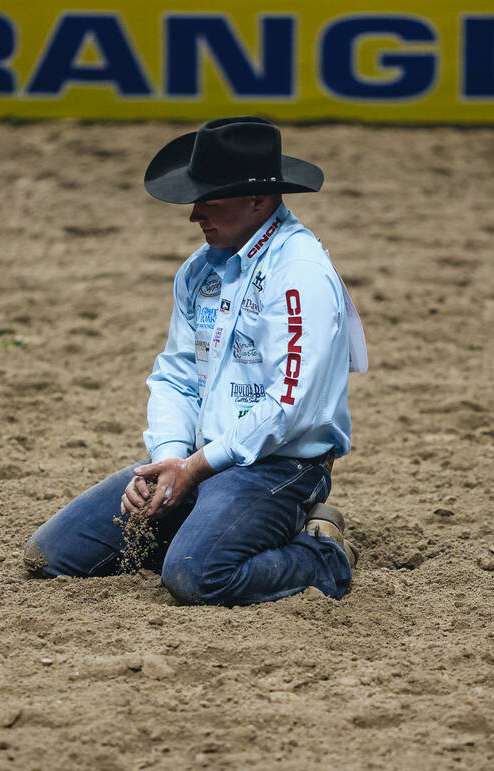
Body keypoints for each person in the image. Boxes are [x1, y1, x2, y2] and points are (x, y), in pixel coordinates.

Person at [23, 116, 367, 606]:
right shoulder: (199, 270)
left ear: (258, 200)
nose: (194, 215)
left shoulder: (301, 273)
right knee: (52, 555)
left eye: (209, 200)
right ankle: (204, 527)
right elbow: (178, 374)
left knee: (197, 575)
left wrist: (194, 468)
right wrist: (167, 458)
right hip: (201, 460)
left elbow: (291, 404)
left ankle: (325, 555)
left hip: (281, 466)